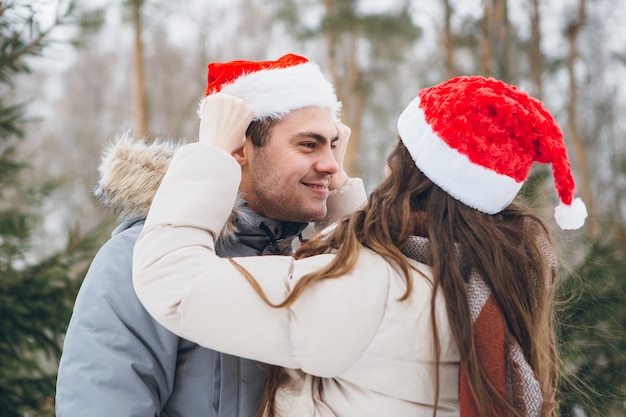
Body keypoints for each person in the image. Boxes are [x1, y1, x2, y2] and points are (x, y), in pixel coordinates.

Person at [132, 75, 588, 417]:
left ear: (408, 177)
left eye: (396, 160)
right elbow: (377, 285)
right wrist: (343, 194)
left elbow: (172, 280)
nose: (330, 163)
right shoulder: (479, 277)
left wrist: (210, 153)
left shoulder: (366, 290)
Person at [55, 54, 367, 417]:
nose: (331, 164)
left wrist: (342, 196)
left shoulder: (304, 259)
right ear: (239, 150)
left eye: (333, 145)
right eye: (309, 144)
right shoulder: (137, 258)